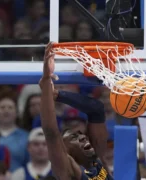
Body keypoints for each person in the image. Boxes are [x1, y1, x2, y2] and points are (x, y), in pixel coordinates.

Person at [38, 42, 112, 179]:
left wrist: (59, 95)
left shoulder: (97, 162)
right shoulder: (69, 171)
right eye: (74, 137)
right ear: (64, 149)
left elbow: (97, 109)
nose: (82, 136)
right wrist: (47, 79)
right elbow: (51, 132)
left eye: (78, 134)